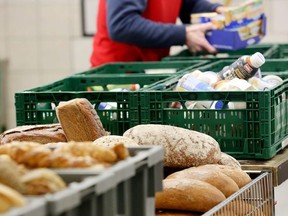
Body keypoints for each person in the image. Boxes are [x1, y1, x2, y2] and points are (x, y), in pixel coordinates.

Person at [90, 0, 225, 68]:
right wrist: (183, 34)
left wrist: (218, 11)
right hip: (116, 75)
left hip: (150, 70)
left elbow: (188, 6)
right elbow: (122, 24)